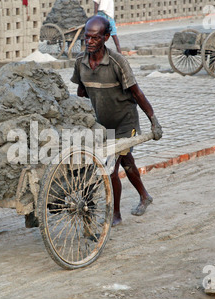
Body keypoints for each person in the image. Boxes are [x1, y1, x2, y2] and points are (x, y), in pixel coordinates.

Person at [70, 15, 163, 226]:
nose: (89, 42)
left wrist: (153, 120)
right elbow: (81, 93)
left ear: (105, 38)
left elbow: (137, 93)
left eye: (95, 38)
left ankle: (116, 214)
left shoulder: (117, 62)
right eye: (86, 37)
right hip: (101, 125)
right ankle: (145, 196)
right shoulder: (80, 62)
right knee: (127, 161)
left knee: (111, 168)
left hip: (124, 122)